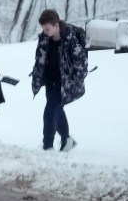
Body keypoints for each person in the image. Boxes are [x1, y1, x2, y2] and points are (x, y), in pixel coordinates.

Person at [31, 9, 88, 151]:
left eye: (48, 29)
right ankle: (67, 140)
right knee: (56, 109)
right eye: (44, 29)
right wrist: (37, 79)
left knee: (50, 110)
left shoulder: (70, 40)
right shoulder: (44, 39)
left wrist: (75, 81)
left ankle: (48, 147)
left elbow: (81, 63)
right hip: (51, 80)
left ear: (56, 26)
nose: (45, 32)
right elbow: (39, 60)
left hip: (65, 82)